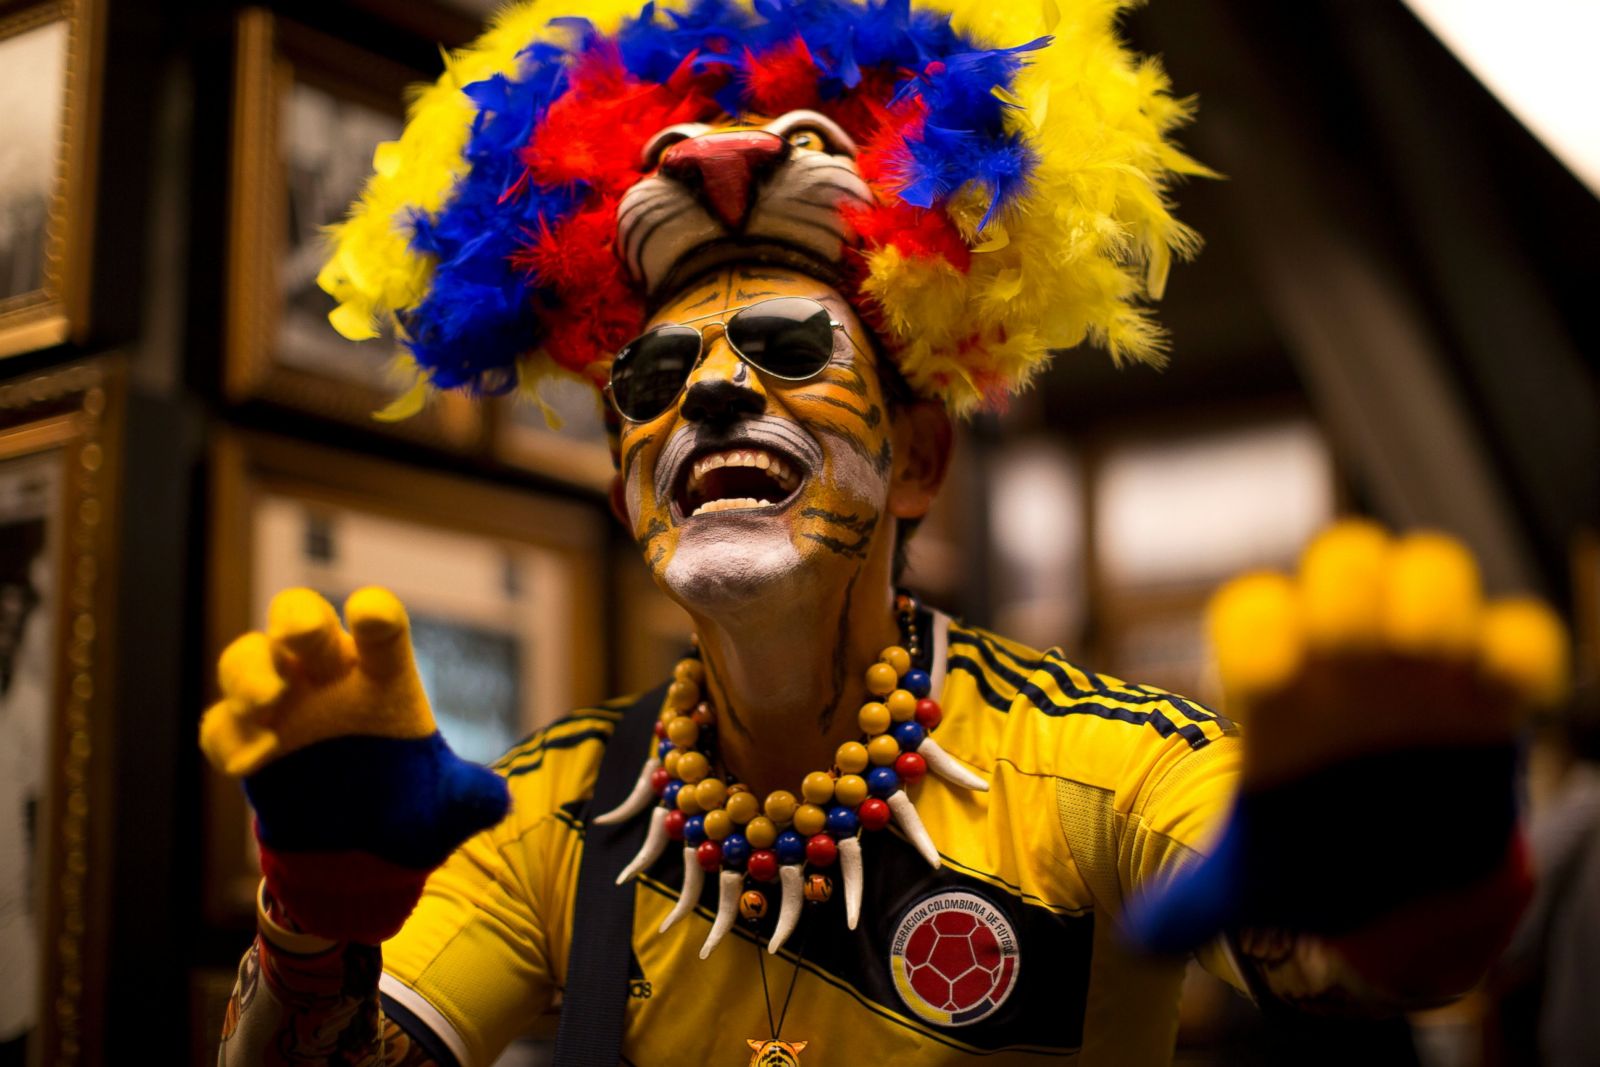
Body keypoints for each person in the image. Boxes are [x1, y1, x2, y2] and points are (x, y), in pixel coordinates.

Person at [199, 1, 1571, 1063]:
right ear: (626, 488)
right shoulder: (560, 813)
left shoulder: (1091, 764)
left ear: (918, 460)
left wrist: (1411, 867)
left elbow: (1353, 945)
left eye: (791, 345)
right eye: (655, 379)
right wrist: (314, 920)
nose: (720, 388)